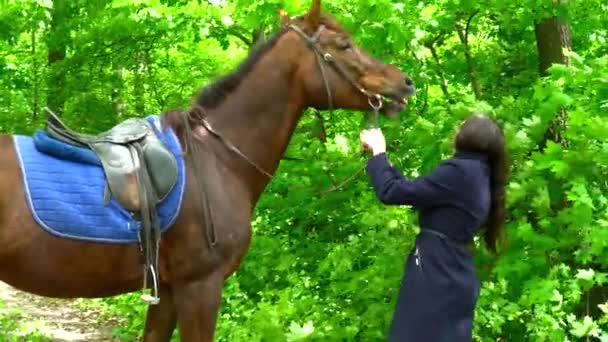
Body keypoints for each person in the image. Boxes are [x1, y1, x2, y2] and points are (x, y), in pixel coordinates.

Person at [359, 113, 508, 342]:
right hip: (451, 271)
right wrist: (380, 161)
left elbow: (391, 192)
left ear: (467, 136)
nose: (456, 129)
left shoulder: (459, 171)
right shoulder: (477, 174)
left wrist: (379, 150)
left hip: (437, 271)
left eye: (461, 125)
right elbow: (412, 191)